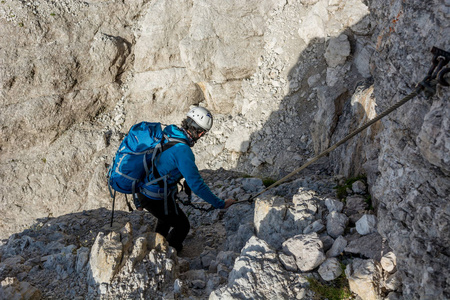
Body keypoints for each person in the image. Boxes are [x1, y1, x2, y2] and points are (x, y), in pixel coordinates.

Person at [136, 107, 235, 253]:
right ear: (200, 132)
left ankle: (155, 248)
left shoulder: (170, 132)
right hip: (155, 196)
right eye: (203, 133)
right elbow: (197, 185)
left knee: (166, 219)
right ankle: (168, 254)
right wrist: (221, 204)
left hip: (144, 191)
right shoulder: (183, 151)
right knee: (182, 226)